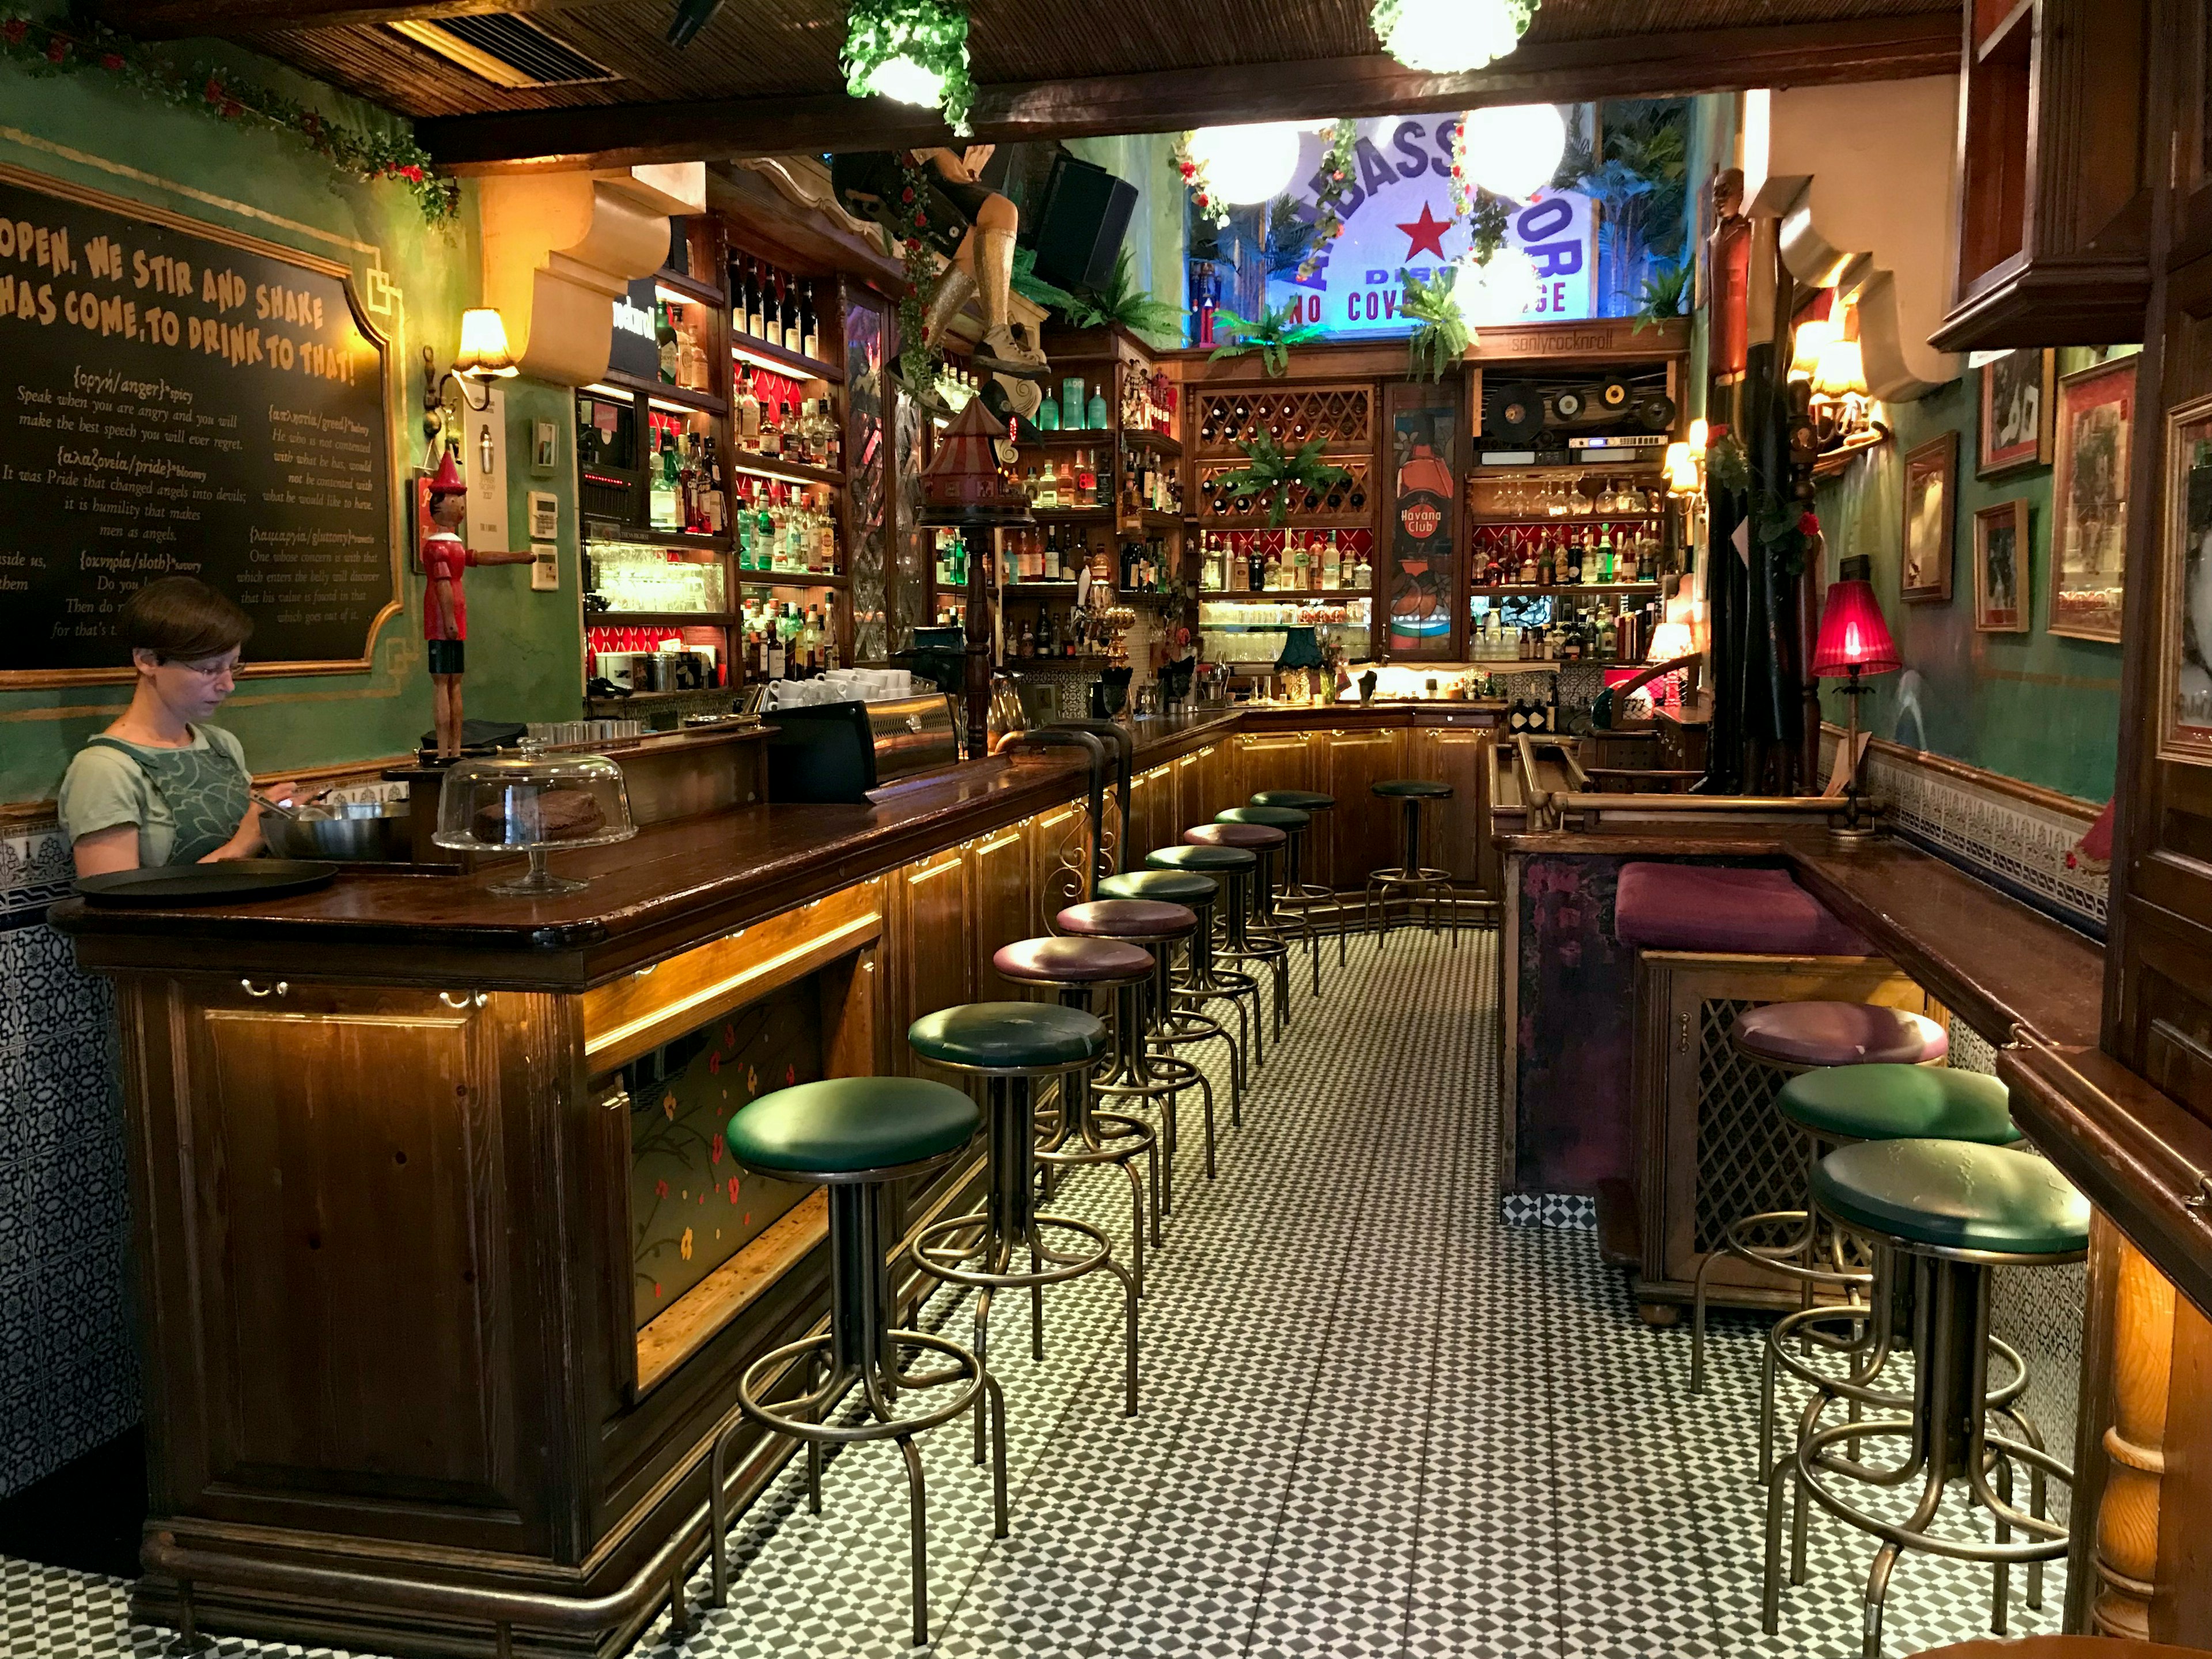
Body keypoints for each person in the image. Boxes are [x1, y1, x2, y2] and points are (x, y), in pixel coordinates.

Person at [58, 576, 291, 875]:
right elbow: (114, 906)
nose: (228, 685)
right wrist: (241, 846)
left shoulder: (221, 745)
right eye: (209, 669)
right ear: (148, 660)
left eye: (233, 666)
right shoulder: (105, 769)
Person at [421, 444, 534, 756]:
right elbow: (443, 585)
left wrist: (516, 557)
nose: (461, 507)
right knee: (443, 682)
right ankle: (444, 749)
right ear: (438, 505)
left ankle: (455, 748)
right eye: (455, 501)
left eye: (461, 501)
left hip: (455, 618)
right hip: (443, 621)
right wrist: (449, 621)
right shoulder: (437, 548)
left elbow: (479, 557)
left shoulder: (454, 545)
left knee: (454, 681)